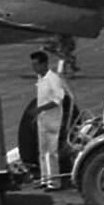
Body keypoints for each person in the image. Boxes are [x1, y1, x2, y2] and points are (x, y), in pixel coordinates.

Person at [31, 49, 69, 189]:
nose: (34, 68)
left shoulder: (53, 79)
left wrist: (40, 109)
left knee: (51, 152)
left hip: (53, 121)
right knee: (42, 151)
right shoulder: (40, 79)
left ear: (44, 64)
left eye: (36, 65)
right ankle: (45, 179)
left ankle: (54, 181)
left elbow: (58, 99)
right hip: (42, 120)